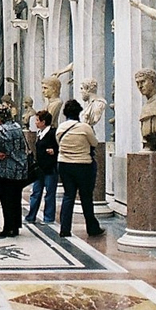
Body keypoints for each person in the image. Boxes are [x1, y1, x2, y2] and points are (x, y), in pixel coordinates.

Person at [55, 99, 104, 239]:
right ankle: (92, 228)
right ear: (78, 112)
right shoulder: (85, 128)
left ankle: (65, 229)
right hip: (83, 165)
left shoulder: (61, 128)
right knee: (86, 197)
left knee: (68, 196)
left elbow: (58, 143)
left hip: (64, 164)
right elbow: (94, 143)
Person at [0, 102, 29, 238]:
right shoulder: (17, 127)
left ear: (0, 117)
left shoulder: (1, 130)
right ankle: (16, 226)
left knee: (6, 200)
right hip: (19, 167)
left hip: (5, 169)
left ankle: (8, 227)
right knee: (16, 199)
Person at [25, 110, 58, 224]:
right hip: (39, 168)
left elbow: (59, 147)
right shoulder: (40, 133)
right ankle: (31, 216)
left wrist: (54, 151)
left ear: (43, 122)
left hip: (50, 168)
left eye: (37, 120)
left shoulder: (53, 133)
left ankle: (48, 217)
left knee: (49, 194)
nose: (36, 122)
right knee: (36, 192)